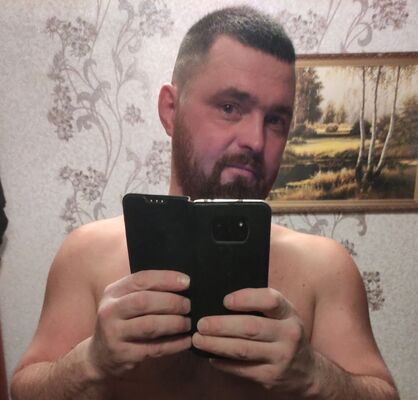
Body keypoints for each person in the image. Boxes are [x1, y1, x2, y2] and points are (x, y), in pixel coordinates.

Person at [11, 6, 399, 400]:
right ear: (170, 110)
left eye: (276, 120)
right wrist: (90, 363)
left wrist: (314, 375)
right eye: (230, 107)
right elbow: (25, 389)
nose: (256, 140)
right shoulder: (85, 254)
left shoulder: (326, 267)